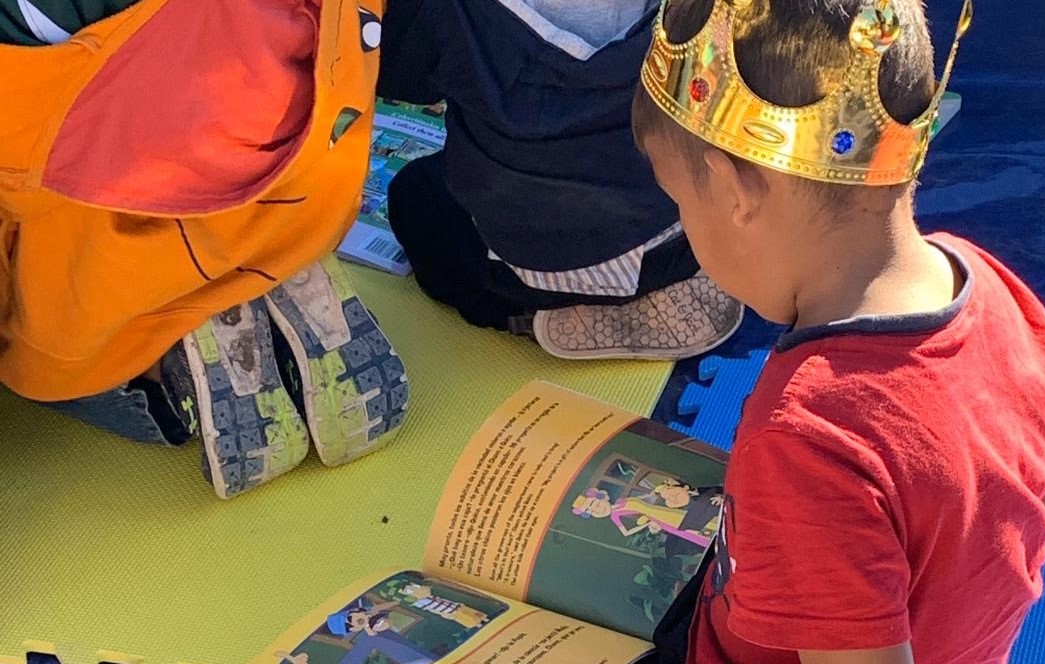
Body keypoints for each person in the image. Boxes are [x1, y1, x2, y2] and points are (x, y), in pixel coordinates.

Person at [512, 0, 1045, 664]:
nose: (691, 245)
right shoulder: (983, 282)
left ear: (739, 190)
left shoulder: (806, 428)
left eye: (680, 207)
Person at [0, 0, 409, 498]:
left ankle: (170, 374)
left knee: (46, 370)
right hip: (306, 181)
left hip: (126, 244)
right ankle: (274, 268)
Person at [376, 0, 743, 360]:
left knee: (416, 198)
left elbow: (392, 72)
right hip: (685, 239)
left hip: (532, 272)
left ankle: (523, 319)